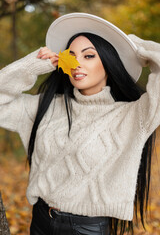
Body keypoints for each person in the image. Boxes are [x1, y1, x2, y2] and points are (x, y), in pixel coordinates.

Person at [0, 12, 159, 235]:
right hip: (40, 221)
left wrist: (136, 46)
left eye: (89, 56)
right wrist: (30, 67)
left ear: (109, 61)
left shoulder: (134, 116)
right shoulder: (45, 106)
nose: (76, 63)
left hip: (87, 229)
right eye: (71, 55)